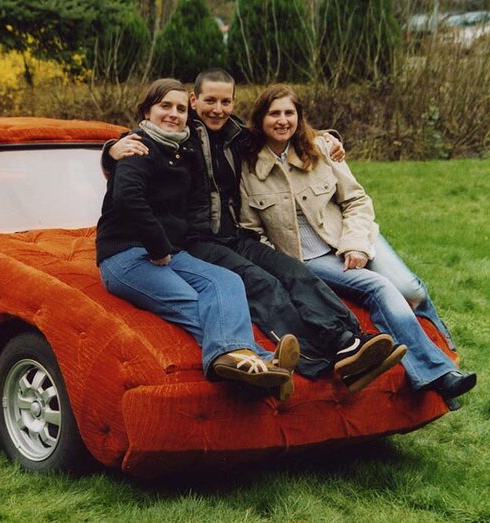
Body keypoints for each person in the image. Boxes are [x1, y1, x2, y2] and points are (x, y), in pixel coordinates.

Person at [106, 69, 401, 392]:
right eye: (209, 101)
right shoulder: (180, 138)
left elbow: (282, 133)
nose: (217, 109)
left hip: (236, 235)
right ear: (195, 101)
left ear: (234, 103)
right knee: (263, 284)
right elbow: (137, 152)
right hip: (198, 241)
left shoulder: (238, 137)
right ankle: (314, 360)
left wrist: (327, 137)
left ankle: (348, 342)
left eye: (225, 101)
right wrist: (111, 149)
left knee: (293, 271)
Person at [238, 83, 476, 402]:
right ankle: (440, 376)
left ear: (299, 117)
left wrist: (356, 245)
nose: (282, 120)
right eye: (274, 114)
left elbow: (356, 200)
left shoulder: (321, 148)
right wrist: (287, 267)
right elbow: (253, 230)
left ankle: (449, 356)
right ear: (260, 119)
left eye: (289, 113)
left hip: (351, 236)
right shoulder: (249, 167)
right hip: (309, 260)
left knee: (412, 290)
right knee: (379, 288)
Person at [96, 78, 300, 396]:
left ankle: (255, 369)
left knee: (228, 283)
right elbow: (128, 199)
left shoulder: (181, 147)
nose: (173, 114)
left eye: (179, 108)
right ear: (147, 111)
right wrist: (113, 150)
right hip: (125, 256)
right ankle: (261, 366)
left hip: (170, 253)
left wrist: (327, 139)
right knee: (198, 304)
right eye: (164, 106)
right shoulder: (137, 146)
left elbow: (258, 139)